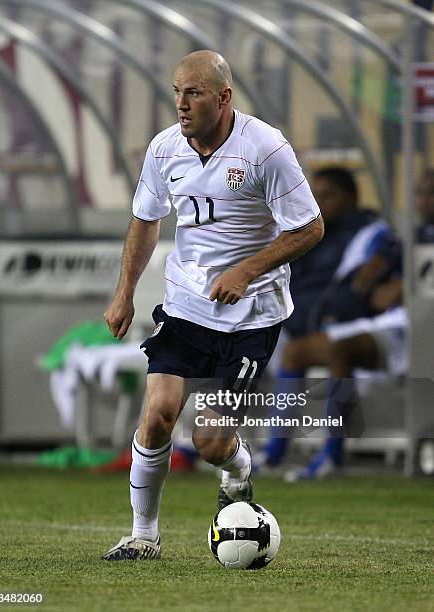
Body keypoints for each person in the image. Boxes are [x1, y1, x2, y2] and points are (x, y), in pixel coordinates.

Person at [102, 50, 323, 561]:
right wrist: (124, 293)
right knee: (157, 415)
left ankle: (238, 470)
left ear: (224, 98)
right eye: (176, 91)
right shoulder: (163, 150)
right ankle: (143, 536)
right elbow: (144, 220)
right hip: (184, 307)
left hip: (251, 317)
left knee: (209, 442)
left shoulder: (265, 148)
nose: (181, 103)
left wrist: (247, 271)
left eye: (194, 93)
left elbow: (309, 227)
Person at [258, 167, 401, 469]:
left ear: (350, 197)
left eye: (328, 195)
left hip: (348, 326)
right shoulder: (310, 233)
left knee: (308, 351)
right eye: (316, 195)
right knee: (231, 339)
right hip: (293, 324)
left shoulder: (370, 233)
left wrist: (383, 259)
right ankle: (208, 446)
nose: (319, 202)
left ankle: (323, 453)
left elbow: (384, 263)